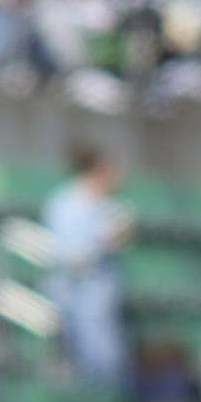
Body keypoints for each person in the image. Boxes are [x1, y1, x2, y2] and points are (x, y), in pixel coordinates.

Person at [42, 146, 132, 384]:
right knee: (89, 362)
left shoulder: (109, 206)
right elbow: (70, 258)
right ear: (98, 171)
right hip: (72, 295)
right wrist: (103, 240)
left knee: (109, 362)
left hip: (100, 297)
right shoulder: (67, 205)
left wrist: (116, 238)